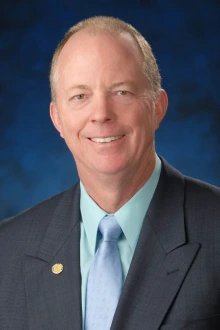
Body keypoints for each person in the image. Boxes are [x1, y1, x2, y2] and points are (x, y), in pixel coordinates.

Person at [0, 16, 220, 330]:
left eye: (122, 92)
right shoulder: (6, 250)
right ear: (58, 119)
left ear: (157, 107)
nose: (101, 114)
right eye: (80, 96)